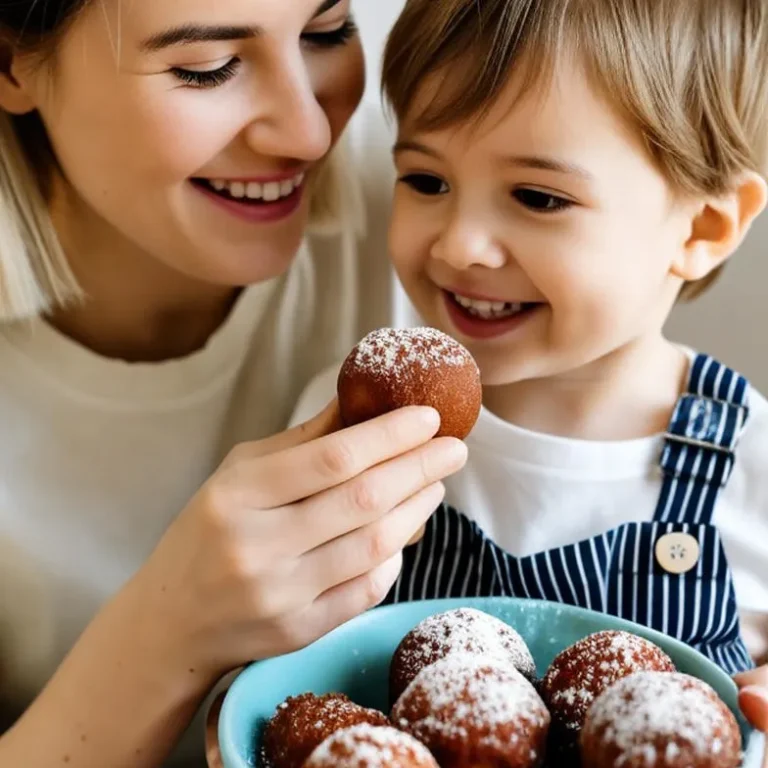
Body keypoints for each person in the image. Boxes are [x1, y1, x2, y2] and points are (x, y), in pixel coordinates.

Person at [0, 1, 469, 766]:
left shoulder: (437, 190)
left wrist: (731, 615)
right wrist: (171, 631)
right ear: (11, 62)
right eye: (207, 67)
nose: (311, 133)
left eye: (328, 33)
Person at [291, 0, 768, 749]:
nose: (461, 246)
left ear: (702, 228)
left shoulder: (751, 462)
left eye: (538, 197)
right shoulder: (354, 422)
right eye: (425, 180)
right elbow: (288, 657)